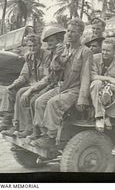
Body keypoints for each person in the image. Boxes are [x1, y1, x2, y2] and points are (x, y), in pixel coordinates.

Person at [30, 18, 93, 148]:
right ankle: (44, 134)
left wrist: (82, 98)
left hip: (75, 89)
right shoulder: (64, 49)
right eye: (68, 31)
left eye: (73, 32)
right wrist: (56, 59)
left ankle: (51, 137)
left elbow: (86, 75)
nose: (69, 34)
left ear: (81, 33)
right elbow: (56, 71)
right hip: (62, 86)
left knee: (53, 103)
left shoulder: (85, 51)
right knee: (39, 102)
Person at [0, 34, 49, 134]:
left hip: (43, 85)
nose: (32, 48)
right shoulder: (29, 56)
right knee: (10, 90)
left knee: (21, 93)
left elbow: (46, 78)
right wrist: (13, 85)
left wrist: (32, 88)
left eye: (34, 46)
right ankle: (7, 122)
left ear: (40, 45)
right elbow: (24, 75)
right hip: (32, 84)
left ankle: (20, 126)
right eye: (30, 46)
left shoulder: (46, 56)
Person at [14, 26, 66, 138]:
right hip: (51, 83)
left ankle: (42, 133)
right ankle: (26, 128)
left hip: (59, 85)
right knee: (23, 94)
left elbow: (50, 76)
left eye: (51, 41)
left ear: (59, 41)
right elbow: (48, 77)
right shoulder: (52, 53)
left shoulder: (60, 53)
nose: (48, 44)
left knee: (35, 100)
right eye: (47, 41)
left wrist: (31, 89)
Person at [90, 38, 115, 155]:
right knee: (96, 83)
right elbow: (92, 76)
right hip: (96, 92)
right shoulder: (95, 58)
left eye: (108, 51)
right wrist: (108, 79)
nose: (104, 53)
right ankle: (100, 116)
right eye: (103, 50)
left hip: (112, 94)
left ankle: (108, 116)